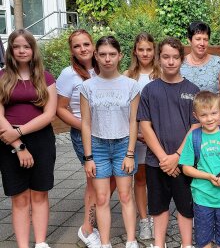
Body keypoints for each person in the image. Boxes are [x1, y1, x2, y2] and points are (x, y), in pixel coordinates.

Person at [137, 37, 200, 248]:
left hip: (185, 162)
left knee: (185, 205)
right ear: (158, 58)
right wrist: (164, 157)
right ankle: (159, 243)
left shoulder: (192, 90)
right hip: (157, 162)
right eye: (165, 57)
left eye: (175, 57)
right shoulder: (149, 90)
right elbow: (145, 126)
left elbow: (195, 127)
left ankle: (186, 244)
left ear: (182, 59)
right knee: (158, 206)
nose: (170, 62)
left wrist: (177, 156)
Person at [81, 36, 140, 248]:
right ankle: (105, 243)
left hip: (123, 144)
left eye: (112, 54)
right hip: (97, 146)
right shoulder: (87, 87)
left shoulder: (130, 85)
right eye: (103, 54)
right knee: (102, 197)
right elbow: (86, 124)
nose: (107, 59)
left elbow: (134, 121)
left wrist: (130, 153)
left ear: (120, 56)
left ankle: (131, 240)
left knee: (125, 195)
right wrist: (88, 157)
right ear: (96, 55)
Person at [0, 29, 57, 248]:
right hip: (8, 142)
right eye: (17, 46)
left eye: (26, 46)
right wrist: (17, 143)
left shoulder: (46, 77)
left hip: (41, 140)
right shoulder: (2, 77)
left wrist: (20, 132)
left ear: (33, 50)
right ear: (11, 50)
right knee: (20, 197)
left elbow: (49, 114)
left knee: (40, 193)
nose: (22, 50)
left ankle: (41, 242)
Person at [179, 91, 220, 248]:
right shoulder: (194, 137)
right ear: (196, 116)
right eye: (204, 115)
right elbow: (187, 169)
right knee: (203, 239)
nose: (209, 118)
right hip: (202, 197)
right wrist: (207, 176)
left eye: (214, 113)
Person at [56, 29, 102, 247]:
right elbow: (60, 108)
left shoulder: (103, 67)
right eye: (77, 46)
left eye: (86, 44)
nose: (83, 49)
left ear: (93, 45)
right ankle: (87, 228)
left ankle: (96, 220)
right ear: (72, 50)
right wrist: (86, 127)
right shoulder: (68, 74)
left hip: (106, 133)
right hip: (83, 134)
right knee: (93, 181)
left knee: (105, 180)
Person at [124, 32, 161, 240]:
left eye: (149, 49)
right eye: (141, 49)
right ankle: (144, 219)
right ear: (135, 52)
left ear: (154, 50)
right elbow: (126, 110)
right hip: (136, 136)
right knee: (139, 178)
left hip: (157, 135)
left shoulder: (161, 72)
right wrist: (136, 133)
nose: (145, 53)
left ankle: (157, 216)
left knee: (155, 178)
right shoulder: (128, 75)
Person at [181, 21, 220, 116]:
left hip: (212, 121)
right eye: (198, 39)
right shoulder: (180, 64)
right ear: (189, 40)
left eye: (205, 39)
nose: (202, 43)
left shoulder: (219, 64)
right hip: (185, 119)